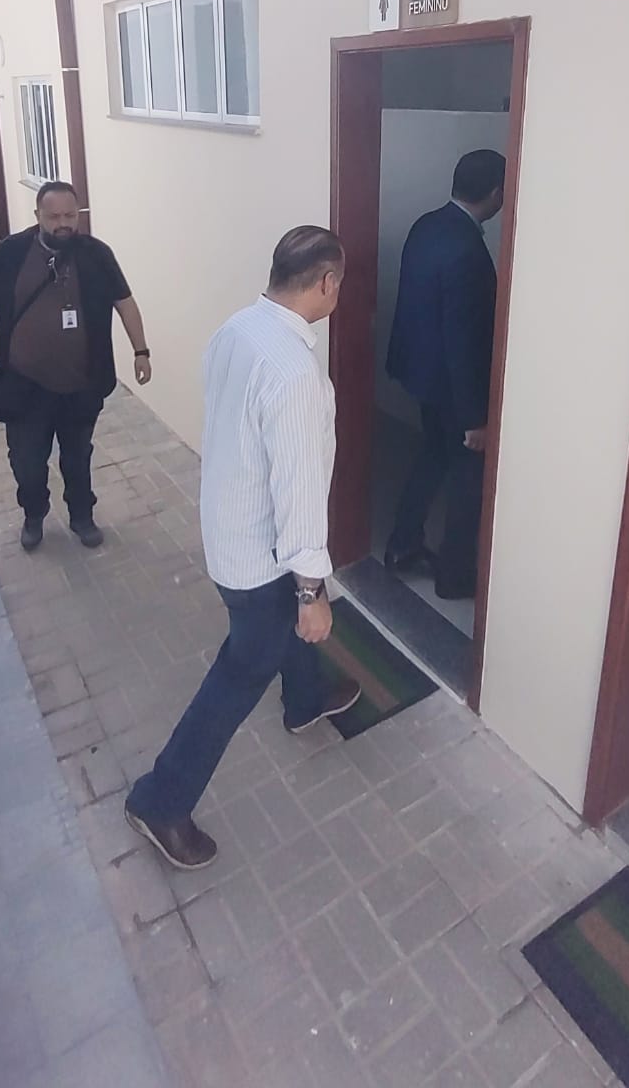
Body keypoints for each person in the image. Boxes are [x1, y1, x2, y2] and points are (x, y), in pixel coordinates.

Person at [125, 227, 361, 870]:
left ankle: (305, 702)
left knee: (280, 634)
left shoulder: (237, 329)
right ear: (325, 283)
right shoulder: (295, 373)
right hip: (264, 555)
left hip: (230, 528)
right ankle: (161, 800)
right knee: (242, 669)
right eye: (340, 284)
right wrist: (312, 592)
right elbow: (298, 490)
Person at [0, 181, 150, 551]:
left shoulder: (96, 255)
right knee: (27, 462)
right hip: (24, 384)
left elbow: (125, 302)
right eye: (54, 217)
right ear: (38, 216)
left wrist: (140, 351)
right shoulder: (11, 254)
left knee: (78, 457)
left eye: (70, 215)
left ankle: (82, 516)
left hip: (81, 383)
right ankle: (34, 515)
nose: (63, 223)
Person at [384, 149, 506, 601]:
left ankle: (402, 544)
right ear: (496, 193)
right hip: (455, 388)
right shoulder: (468, 252)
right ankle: (454, 577)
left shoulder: (427, 225)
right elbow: (463, 340)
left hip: (423, 376)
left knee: (432, 455)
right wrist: (476, 419)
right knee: (469, 478)